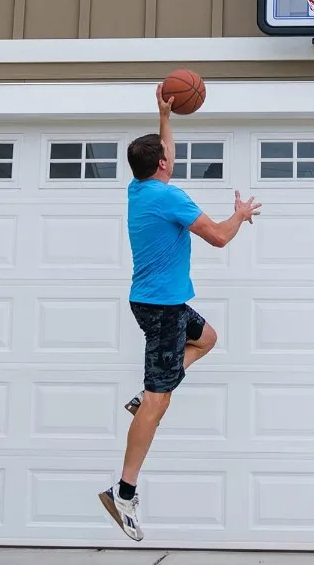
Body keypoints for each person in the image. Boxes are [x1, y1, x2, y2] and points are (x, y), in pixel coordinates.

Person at [99, 83, 260, 541]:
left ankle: (150, 393)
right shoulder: (170, 197)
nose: (172, 158)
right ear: (164, 167)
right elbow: (219, 237)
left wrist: (164, 116)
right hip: (164, 310)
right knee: (159, 400)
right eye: (169, 156)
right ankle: (124, 491)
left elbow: (162, 151)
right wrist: (241, 215)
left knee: (207, 338)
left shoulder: (140, 188)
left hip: (153, 301)